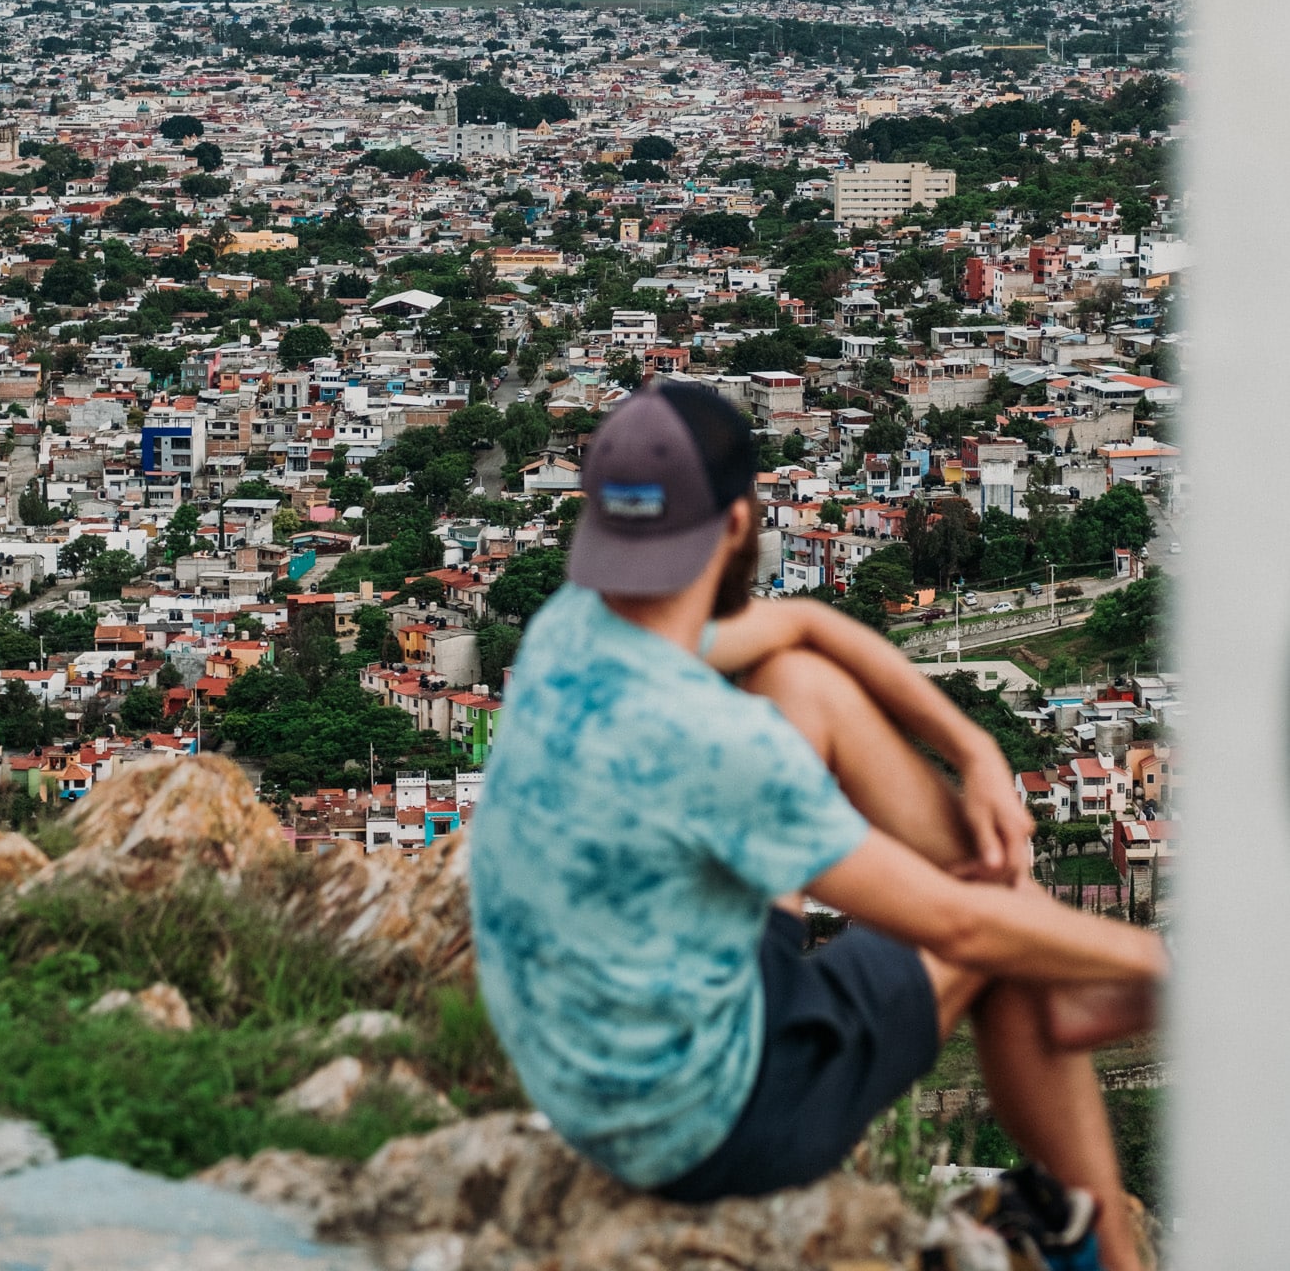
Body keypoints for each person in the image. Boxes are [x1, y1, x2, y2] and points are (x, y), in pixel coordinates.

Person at [470, 381, 1166, 1271]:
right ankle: (1104, 1251)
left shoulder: (571, 627)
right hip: (700, 1128)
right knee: (994, 936)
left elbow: (798, 623)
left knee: (805, 681)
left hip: (589, 1069)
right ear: (736, 525)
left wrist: (973, 746)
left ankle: (1022, 945)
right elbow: (956, 925)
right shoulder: (711, 740)